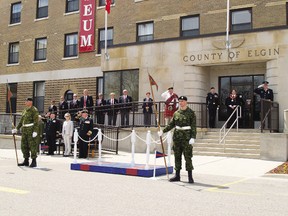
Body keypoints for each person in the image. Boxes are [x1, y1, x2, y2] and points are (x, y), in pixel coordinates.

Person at [158, 96, 197, 183]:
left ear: (186, 102)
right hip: (177, 138)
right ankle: (177, 175)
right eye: (179, 101)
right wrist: (163, 131)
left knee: (188, 157)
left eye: (182, 101)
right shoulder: (176, 113)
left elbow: (194, 126)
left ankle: (190, 177)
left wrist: (193, 137)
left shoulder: (191, 113)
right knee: (177, 156)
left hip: (186, 138)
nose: (180, 103)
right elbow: (171, 125)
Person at [12, 97, 39, 167]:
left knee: (32, 146)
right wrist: (16, 129)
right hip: (24, 130)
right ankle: (26, 160)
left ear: (30, 102)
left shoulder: (34, 110)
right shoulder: (24, 110)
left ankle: (34, 161)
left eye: (26, 101)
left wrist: (35, 131)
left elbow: (36, 121)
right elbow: (21, 121)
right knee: (24, 146)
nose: (25, 102)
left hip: (31, 129)